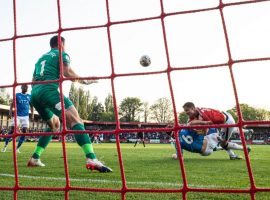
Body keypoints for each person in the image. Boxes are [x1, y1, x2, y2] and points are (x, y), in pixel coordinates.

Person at [28, 35, 112, 173]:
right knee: (76, 119)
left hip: (35, 94)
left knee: (55, 125)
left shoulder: (40, 59)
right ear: (61, 43)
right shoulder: (62, 53)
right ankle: (91, 158)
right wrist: (85, 81)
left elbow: (32, 80)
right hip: (48, 90)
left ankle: (35, 158)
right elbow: (67, 72)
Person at [171, 128, 251, 159]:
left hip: (204, 153)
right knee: (221, 136)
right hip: (207, 145)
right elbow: (200, 131)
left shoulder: (176, 142)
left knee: (219, 139)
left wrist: (174, 156)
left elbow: (179, 157)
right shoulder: (185, 130)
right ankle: (243, 147)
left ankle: (232, 155)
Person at [1, 84, 34, 153]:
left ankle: (17, 148)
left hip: (25, 116)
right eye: (24, 87)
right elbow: (12, 104)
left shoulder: (29, 96)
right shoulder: (17, 95)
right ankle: (5, 146)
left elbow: (31, 106)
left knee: (24, 131)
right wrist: (10, 112)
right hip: (17, 116)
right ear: (21, 87)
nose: (26, 88)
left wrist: (32, 115)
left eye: (26, 87)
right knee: (12, 130)